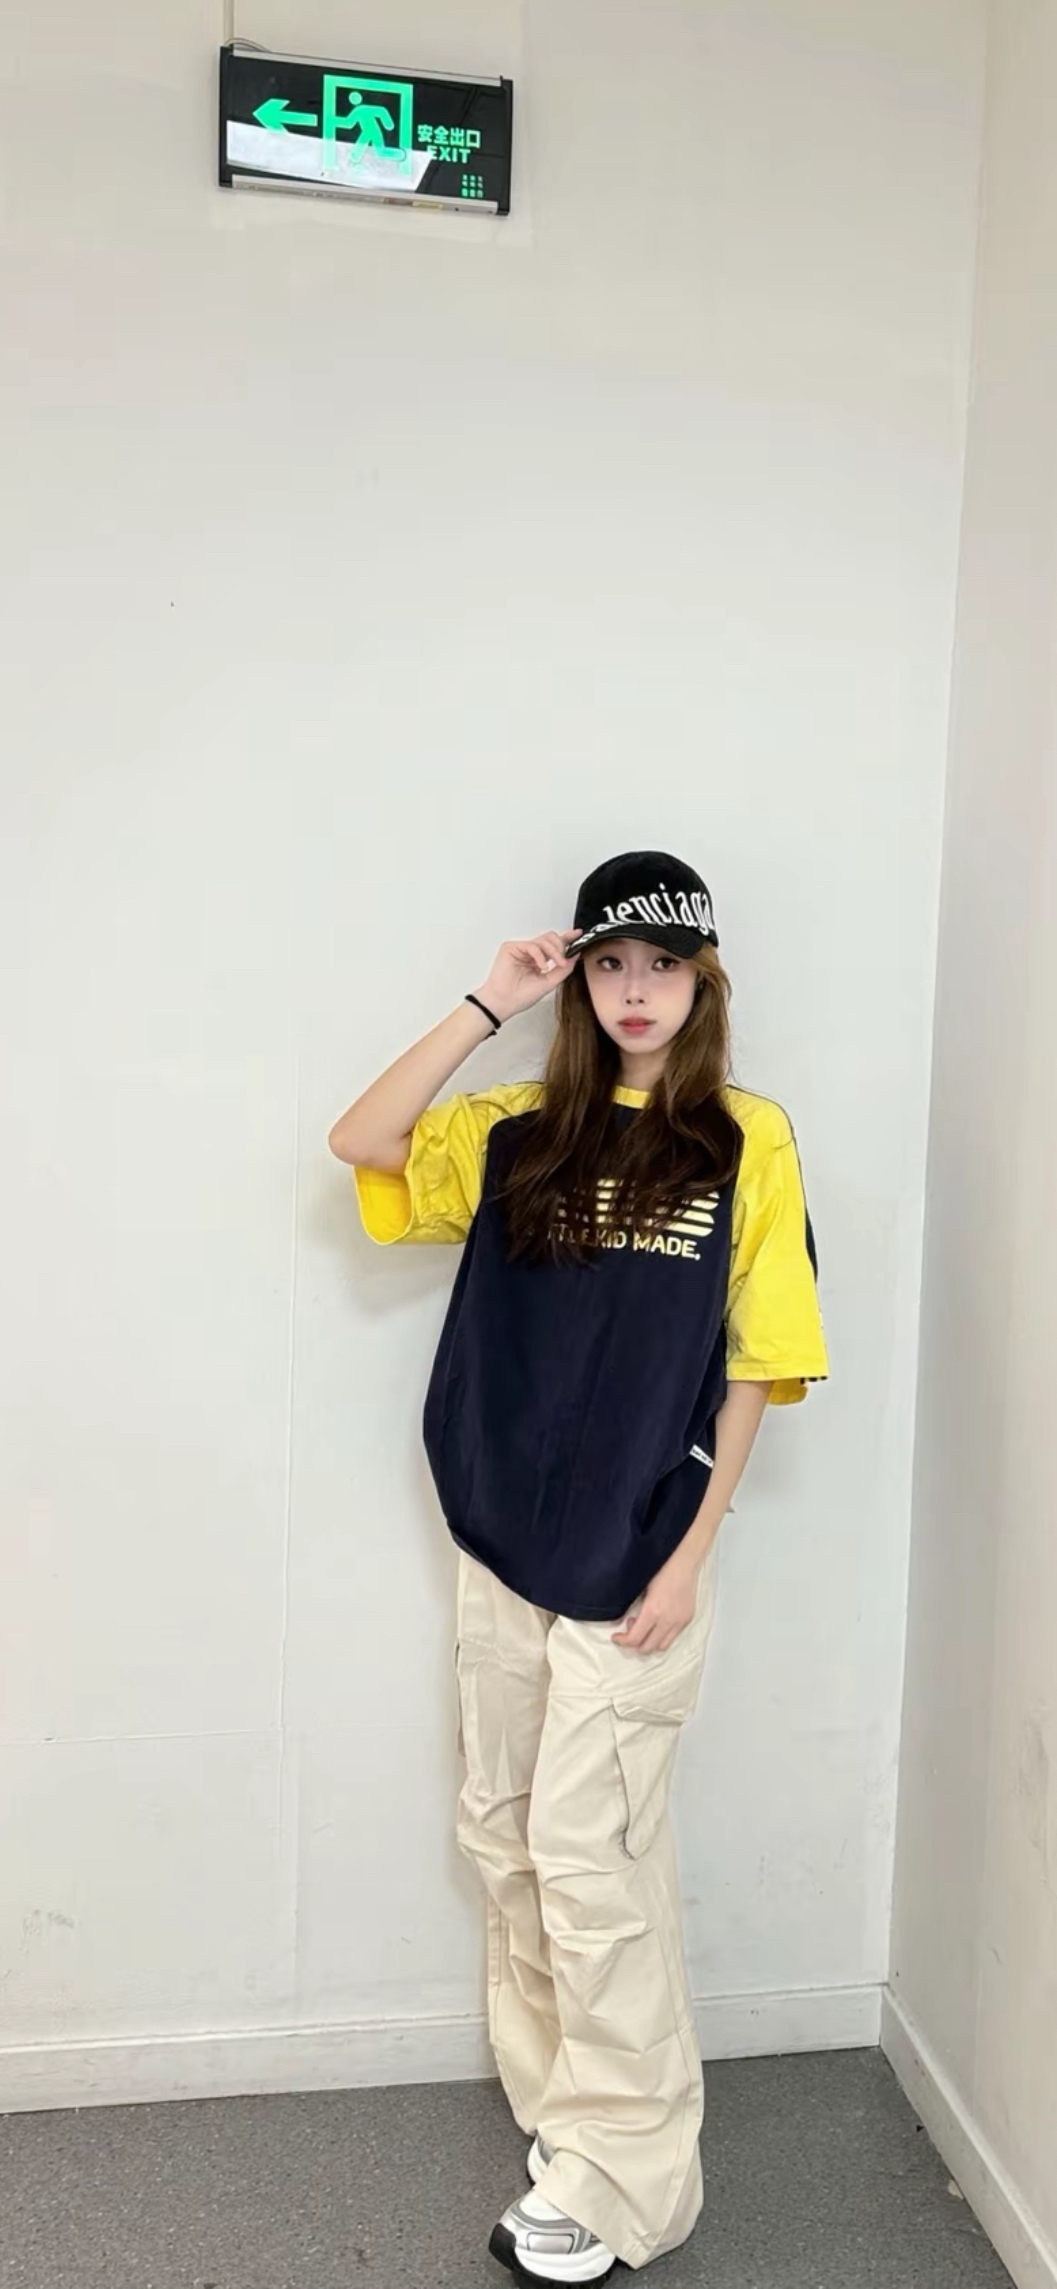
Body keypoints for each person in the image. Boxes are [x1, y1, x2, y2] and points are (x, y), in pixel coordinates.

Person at [328, 850, 829, 2285]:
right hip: (502, 1534)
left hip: (639, 1550)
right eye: (610, 964)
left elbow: (760, 1359)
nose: (634, 990)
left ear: (703, 982)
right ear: (580, 979)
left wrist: (690, 1554)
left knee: (589, 1860)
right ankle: (575, 2124)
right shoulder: (517, 1129)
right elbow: (361, 1138)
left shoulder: (744, 1137)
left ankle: (628, 2186)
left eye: (662, 966)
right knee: (502, 1834)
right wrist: (486, 1000)